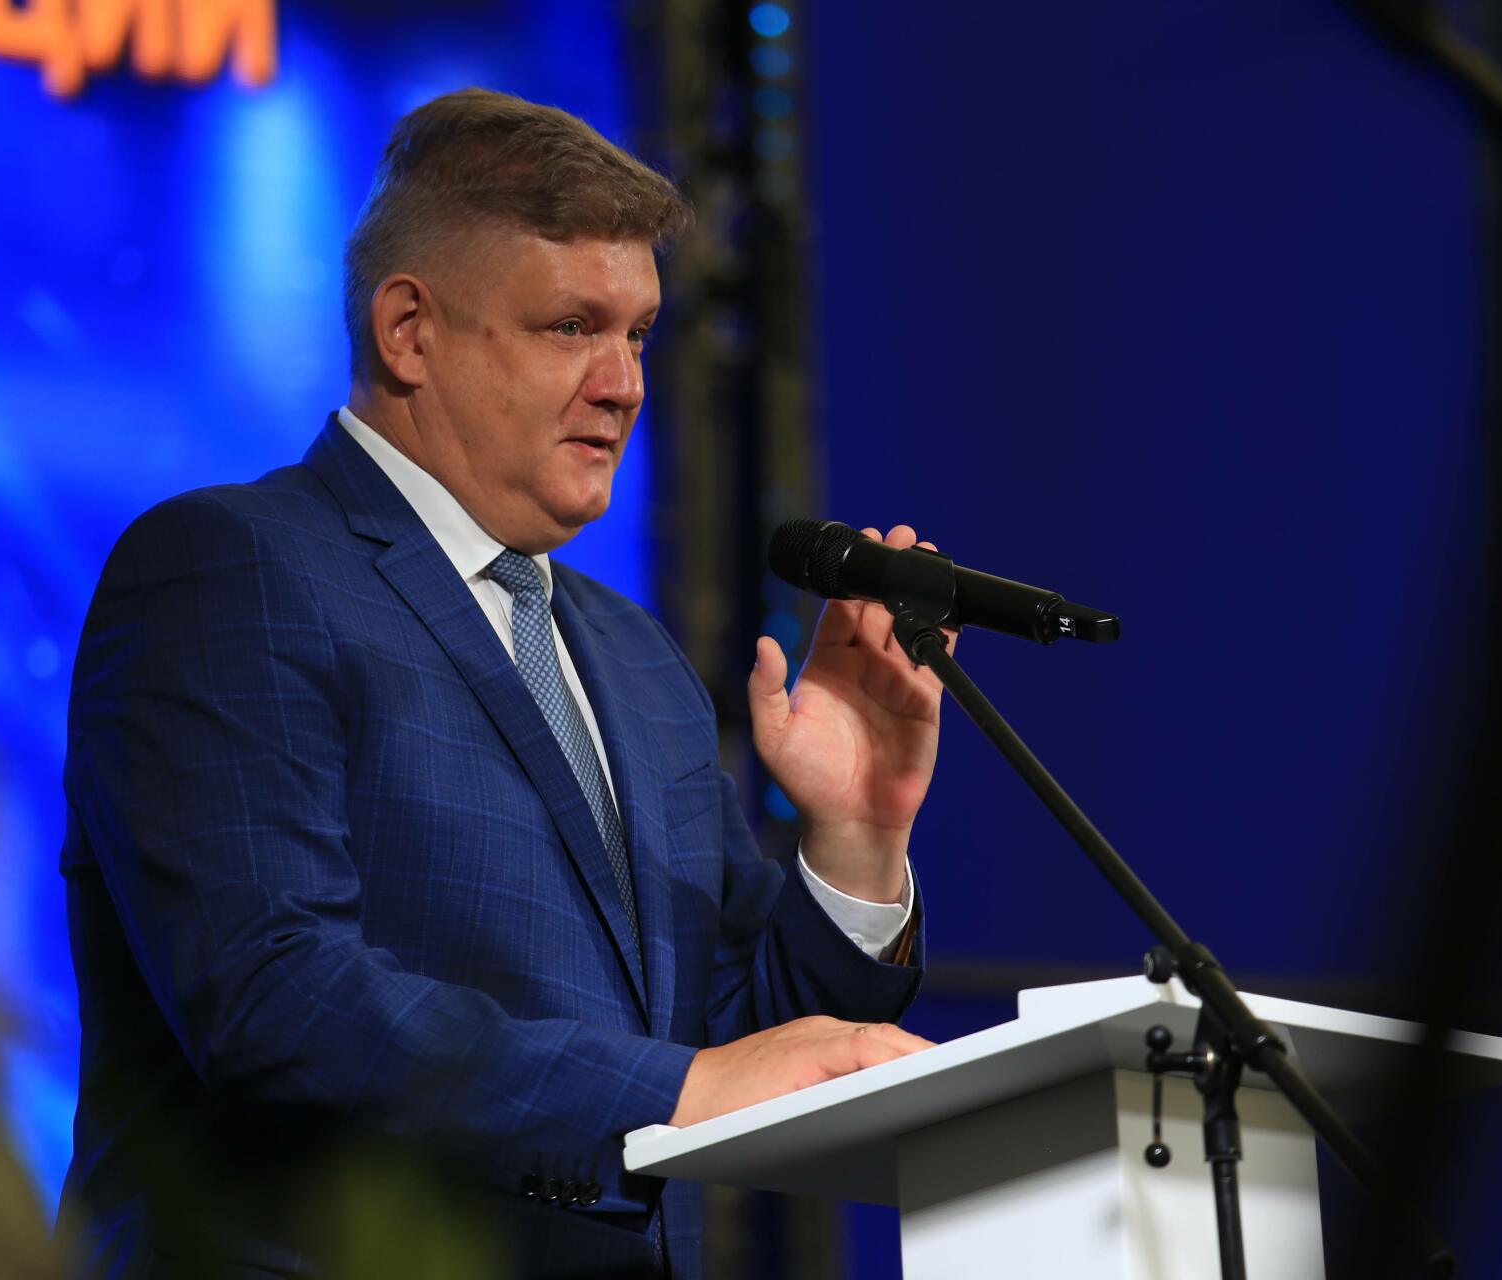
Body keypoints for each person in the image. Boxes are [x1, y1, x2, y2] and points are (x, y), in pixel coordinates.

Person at [57, 88, 951, 1280]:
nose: (625, 383)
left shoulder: (636, 658)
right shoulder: (230, 568)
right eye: (572, 325)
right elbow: (275, 993)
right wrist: (679, 1087)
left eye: (640, 333)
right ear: (409, 331)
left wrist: (855, 840)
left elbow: (745, 1050)